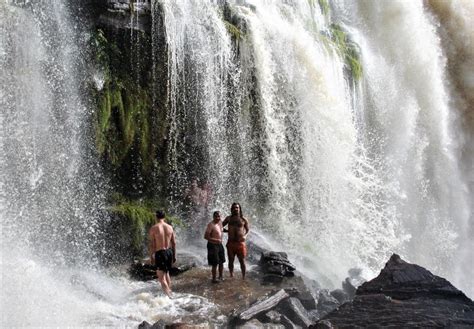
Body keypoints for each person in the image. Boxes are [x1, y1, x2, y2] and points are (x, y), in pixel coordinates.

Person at [148, 210, 176, 297]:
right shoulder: (170, 227)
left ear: (156, 217)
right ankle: (170, 292)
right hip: (169, 252)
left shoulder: (154, 228)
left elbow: (152, 244)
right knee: (166, 273)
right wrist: (174, 255)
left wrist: (151, 256)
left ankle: (169, 296)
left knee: (161, 276)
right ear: (164, 217)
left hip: (160, 253)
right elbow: (174, 243)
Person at [222, 203, 249, 280]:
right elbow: (220, 226)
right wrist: (226, 231)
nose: (235, 209)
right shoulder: (228, 218)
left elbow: (247, 230)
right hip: (230, 243)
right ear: (231, 209)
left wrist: (245, 236)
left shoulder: (243, 219)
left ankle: (243, 277)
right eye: (234, 208)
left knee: (242, 261)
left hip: (240, 243)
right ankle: (231, 275)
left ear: (239, 209)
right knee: (231, 260)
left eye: (237, 207)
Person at [204, 211, 225, 283]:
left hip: (220, 245)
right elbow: (206, 236)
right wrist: (216, 240)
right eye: (216, 216)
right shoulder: (210, 225)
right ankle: (214, 279)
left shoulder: (220, 223)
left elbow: (221, 230)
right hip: (212, 245)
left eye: (219, 216)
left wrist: (229, 231)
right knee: (215, 263)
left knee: (221, 261)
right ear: (213, 217)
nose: (217, 218)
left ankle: (221, 276)